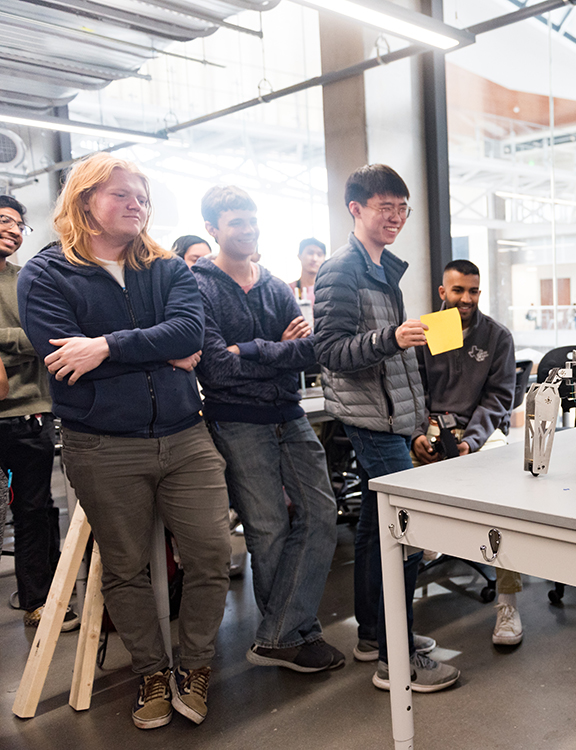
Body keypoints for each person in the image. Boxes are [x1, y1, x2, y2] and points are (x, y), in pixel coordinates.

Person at [17, 153, 231, 730]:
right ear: (85, 201)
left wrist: (105, 347)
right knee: (125, 566)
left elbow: (191, 333)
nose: (137, 204)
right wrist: (158, 352)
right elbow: (62, 360)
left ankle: (195, 666)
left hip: (186, 436)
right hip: (103, 444)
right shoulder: (45, 274)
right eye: (122, 195)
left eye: (142, 196)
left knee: (213, 554)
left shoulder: (167, 268)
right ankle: (152, 672)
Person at [313, 163, 459, 693]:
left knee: (379, 531)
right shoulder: (341, 270)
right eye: (385, 208)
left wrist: (418, 411)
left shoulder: (381, 266)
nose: (396, 218)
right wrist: (391, 338)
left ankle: (376, 634)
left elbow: (389, 352)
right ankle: (395, 659)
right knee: (407, 530)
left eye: (402, 209)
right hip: (368, 418)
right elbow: (328, 351)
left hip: (392, 416)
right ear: (356, 209)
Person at [193, 186, 343, 674]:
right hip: (236, 420)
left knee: (322, 513)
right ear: (213, 228)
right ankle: (297, 635)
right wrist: (274, 350)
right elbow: (215, 369)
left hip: (288, 414)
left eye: (253, 221)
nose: (249, 230)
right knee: (268, 530)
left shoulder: (277, 285)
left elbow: (309, 352)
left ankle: (277, 635)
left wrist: (251, 350)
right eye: (237, 222)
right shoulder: (198, 285)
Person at [410, 260, 519, 646]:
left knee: (508, 493)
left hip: (479, 430)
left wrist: (470, 441)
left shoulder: (496, 337)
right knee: (398, 490)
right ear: (443, 292)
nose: (466, 299)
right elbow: (414, 391)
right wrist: (418, 434)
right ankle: (398, 617)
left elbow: (499, 399)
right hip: (432, 429)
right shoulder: (424, 334)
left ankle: (508, 604)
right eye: (458, 290)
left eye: (473, 291)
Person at [0, 195, 79, 633]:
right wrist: (20, 338)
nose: (13, 230)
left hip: (29, 411)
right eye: (4, 221)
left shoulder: (27, 279)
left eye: (19, 225)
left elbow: (48, 338)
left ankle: (38, 600)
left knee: (34, 508)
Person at [290, 238, 326, 307]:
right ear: (299, 256)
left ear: (324, 259)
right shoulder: (288, 290)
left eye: (319, 254)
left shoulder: (327, 291)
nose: (314, 259)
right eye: (310, 253)